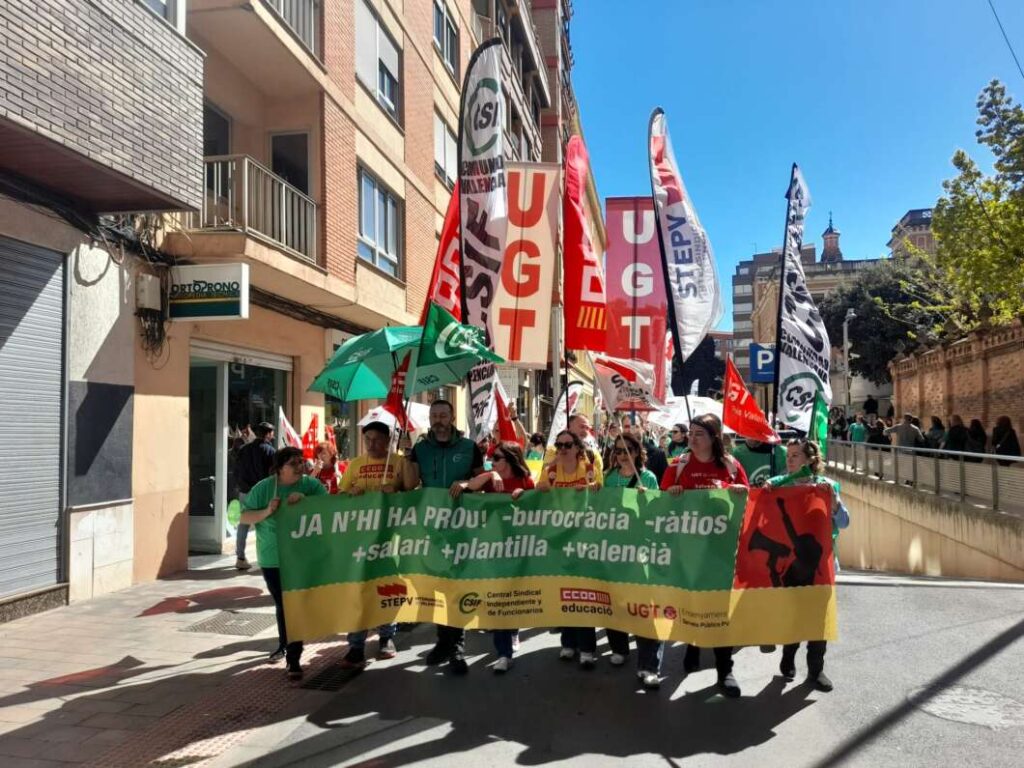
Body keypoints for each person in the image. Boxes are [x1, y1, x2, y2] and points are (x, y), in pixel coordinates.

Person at [660, 413, 749, 698]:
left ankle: (725, 670)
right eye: (691, 433)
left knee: (720, 610)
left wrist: (741, 491)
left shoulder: (731, 466)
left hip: (721, 552)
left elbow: (750, 500)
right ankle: (692, 645)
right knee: (691, 601)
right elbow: (659, 506)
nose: (692, 438)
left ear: (713, 437)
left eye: (699, 433)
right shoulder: (678, 466)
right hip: (687, 550)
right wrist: (671, 493)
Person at [403, 400, 484, 674]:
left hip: (460, 528)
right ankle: (443, 641)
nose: (438, 419)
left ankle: (456, 649)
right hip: (430, 528)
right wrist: (407, 456)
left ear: (452, 417)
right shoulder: (421, 448)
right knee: (436, 586)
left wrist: (466, 485)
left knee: (456, 587)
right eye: (434, 415)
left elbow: (480, 481)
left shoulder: (469, 447)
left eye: (443, 414)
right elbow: (409, 484)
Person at [764, 439, 849, 692]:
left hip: (821, 566)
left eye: (795, 455)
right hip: (792, 566)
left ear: (810, 460)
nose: (789, 459)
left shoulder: (827, 487)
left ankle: (816, 669)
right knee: (795, 616)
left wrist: (834, 502)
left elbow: (844, 522)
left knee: (819, 619)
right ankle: (788, 657)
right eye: (788, 455)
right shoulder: (780, 485)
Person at [240, 446, 327, 680]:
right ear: (280, 468)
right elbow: (244, 516)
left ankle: (288, 645)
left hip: (303, 556)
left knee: (297, 603)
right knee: (286, 604)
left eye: (302, 461)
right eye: (294, 463)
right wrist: (267, 510)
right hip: (273, 558)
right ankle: (293, 656)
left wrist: (306, 501)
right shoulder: (264, 488)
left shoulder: (310, 485)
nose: (301, 467)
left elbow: (329, 509)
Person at [452, 441, 535, 673]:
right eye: (491, 457)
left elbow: (538, 506)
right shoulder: (490, 480)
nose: (493, 461)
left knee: (513, 594)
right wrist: (489, 474)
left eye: (496, 458)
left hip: (519, 547)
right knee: (498, 597)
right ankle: (503, 653)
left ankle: (514, 631)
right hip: (493, 548)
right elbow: (468, 487)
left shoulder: (524, 480)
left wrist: (524, 495)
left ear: (509, 459)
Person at [338, 421, 405, 668]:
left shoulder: (398, 462)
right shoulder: (355, 464)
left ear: (388, 440)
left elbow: (412, 492)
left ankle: (387, 637)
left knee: (387, 588)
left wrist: (395, 491)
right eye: (367, 439)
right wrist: (350, 494)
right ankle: (356, 645)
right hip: (360, 539)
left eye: (377, 439)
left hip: (390, 539)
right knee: (358, 591)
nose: (371, 443)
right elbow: (339, 497)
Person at [601, 432, 664, 689]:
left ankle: (649, 665)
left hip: (639, 550)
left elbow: (657, 511)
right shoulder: (609, 477)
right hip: (614, 549)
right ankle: (619, 648)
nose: (621, 454)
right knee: (615, 599)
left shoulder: (647, 477)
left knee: (644, 607)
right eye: (617, 450)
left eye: (627, 449)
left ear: (637, 452)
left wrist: (646, 497)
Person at [538, 429, 603, 668]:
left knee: (583, 594)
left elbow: (602, 498)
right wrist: (541, 489)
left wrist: (595, 488)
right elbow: (538, 495)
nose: (563, 449)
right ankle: (568, 643)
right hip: (559, 538)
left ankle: (587, 648)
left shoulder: (588, 469)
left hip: (583, 538)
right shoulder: (550, 471)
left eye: (568, 445)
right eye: (559, 445)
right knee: (563, 592)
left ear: (577, 448)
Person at [234, 422, 276, 571]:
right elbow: (274, 473)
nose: (273, 435)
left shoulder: (244, 449)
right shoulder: (270, 451)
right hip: (262, 492)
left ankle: (240, 557)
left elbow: (237, 468)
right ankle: (264, 559)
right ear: (268, 434)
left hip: (245, 491)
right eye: (272, 432)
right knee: (265, 524)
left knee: (244, 523)